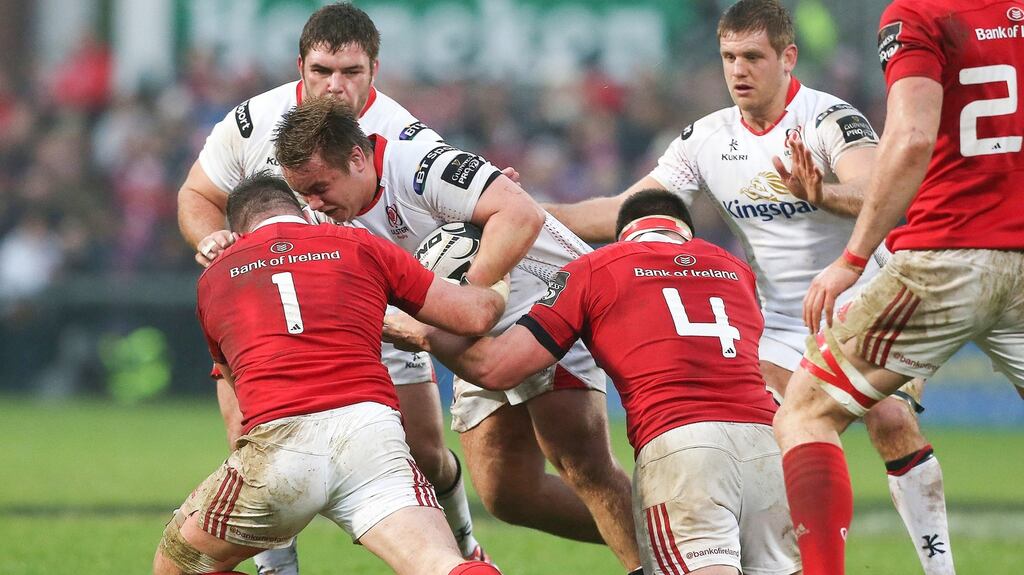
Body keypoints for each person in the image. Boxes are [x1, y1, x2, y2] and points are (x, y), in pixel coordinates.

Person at [543, 1, 954, 572]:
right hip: (778, 322)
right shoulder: (705, 139)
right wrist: (520, 213)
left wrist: (821, 193)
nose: (739, 70)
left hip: (863, 296)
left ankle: (941, 569)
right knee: (770, 438)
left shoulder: (828, 119)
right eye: (729, 57)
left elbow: (880, 191)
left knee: (886, 419)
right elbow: (622, 209)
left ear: (788, 58)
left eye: (753, 57)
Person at [175, 4, 489, 571]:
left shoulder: (405, 135)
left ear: (375, 70)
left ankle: (464, 544)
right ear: (300, 66)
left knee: (425, 455)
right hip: (276, 314)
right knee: (254, 436)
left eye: (351, 72)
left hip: (380, 311)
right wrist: (213, 238)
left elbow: (462, 207)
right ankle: (278, 565)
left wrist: (485, 205)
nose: (335, 86)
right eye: (322, 71)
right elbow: (196, 195)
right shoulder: (253, 121)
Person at [274, 96, 642, 573]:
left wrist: (464, 297)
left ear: (358, 158)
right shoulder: (327, 215)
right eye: (304, 194)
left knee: (581, 462)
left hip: (547, 301)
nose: (315, 204)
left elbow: (522, 216)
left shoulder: (421, 164)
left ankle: (668, 557)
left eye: (320, 187)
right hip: (468, 325)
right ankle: (686, 538)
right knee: (509, 494)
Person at [382, 189, 802, 575]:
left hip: (681, 447)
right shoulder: (734, 269)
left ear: (622, 235)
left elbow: (498, 369)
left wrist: (423, 331)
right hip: (770, 443)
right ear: (684, 232)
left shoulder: (596, 267)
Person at [772, 0, 1024, 572]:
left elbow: (911, 139)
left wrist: (852, 260)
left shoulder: (917, 14)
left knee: (805, 413)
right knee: (889, 418)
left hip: (946, 261)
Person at [153, 173, 507, 575]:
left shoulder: (214, 278)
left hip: (278, 446)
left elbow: (239, 392)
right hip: (371, 435)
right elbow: (471, 315)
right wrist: (500, 277)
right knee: (442, 566)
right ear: (305, 212)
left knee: (176, 567)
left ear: (236, 232)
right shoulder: (358, 244)